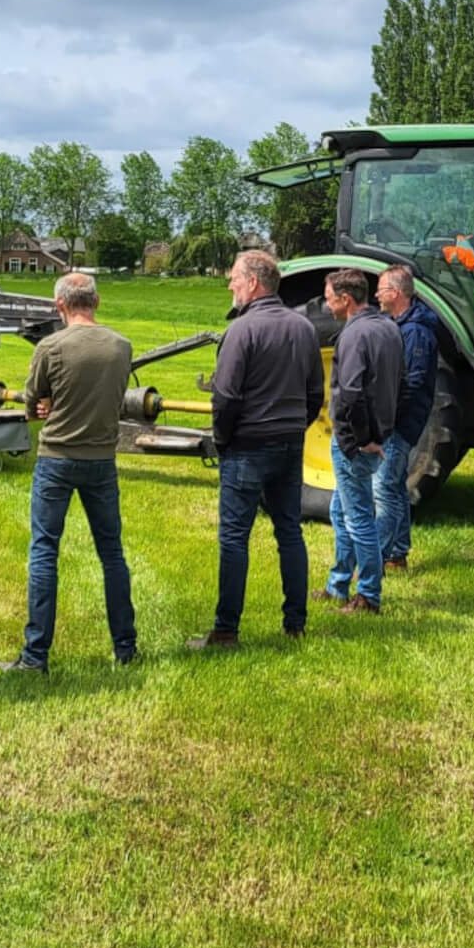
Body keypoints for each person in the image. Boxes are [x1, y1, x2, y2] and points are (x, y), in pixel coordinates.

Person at [0, 272, 135, 675]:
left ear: (60, 306)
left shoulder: (50, 346)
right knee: (112, 554)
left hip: (57, 457)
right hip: (102, 459)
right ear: (97, 301)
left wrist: (41, 408)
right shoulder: (121, 346)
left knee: (44, 552)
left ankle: (36, 655)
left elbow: (33, 397)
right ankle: (125, 645)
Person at [188, 250, 323, 650]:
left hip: (247, 446)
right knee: (290, 532)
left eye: (233, 278)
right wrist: (296, 425)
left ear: (252, 283)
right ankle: (295, 624)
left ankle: (226, 630)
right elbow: (315, 392)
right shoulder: (304, 328)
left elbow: (225, 397)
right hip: (289, 444)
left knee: (233, 538)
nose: (229, 284)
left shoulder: (241, 331)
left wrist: (224, 438)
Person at [320, 267, 402, 614]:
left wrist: (361, 440)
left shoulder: (354, 335)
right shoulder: (389, 327)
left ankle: (368, 594)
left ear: (345, 299)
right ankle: (338, 584)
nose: (326, 307)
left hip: (355, 442)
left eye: (328, 300)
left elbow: (351, 393)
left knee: (357, 519)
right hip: (379, 435)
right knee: (340, 510)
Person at [374, 265, 442, 572]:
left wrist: (386, 417)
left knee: (384, 488)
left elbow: (412, 383)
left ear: (395, 293)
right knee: (396, 486)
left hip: (400, 423)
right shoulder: (403, 324)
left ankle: (378, 556)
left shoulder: (416, 332)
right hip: (399, 420)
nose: (376, 294)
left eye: (380, 289)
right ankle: (397, 554)